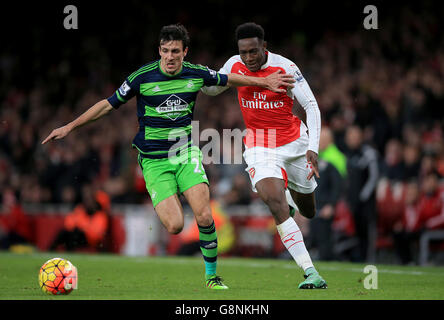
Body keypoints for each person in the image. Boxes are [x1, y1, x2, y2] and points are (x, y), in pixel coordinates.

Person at [42, 24, 294, 290]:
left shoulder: (195, 73)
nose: (170, 57)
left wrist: (264, 81)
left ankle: (211, 277)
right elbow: (107, 104)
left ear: (185, 52)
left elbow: (229, 79)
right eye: (165, 51)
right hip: (154, 161)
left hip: (185, 154)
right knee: (174, 226)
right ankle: (163, 194)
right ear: (159, 51)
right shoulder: (143, 77)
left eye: (175, 51)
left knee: (205, 216)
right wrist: (69, 126)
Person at [201, 22, 327, 289]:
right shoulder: (234, 64)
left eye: (253, 52)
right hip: (260, 145)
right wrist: (198, 78)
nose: (248, 57)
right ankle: (310, 272)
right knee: (273, 202)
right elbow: (212, 88)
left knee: (309, 210)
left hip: (294, 144)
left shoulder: (286, 67)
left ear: (264, 47)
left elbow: (311, 105)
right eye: (244, 52)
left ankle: (292, 197)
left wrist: (312, 147)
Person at [344, 125, 379, 262]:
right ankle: (359, 260)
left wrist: (363, 196)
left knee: (367, 233)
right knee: (357, 234)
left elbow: (374, 177)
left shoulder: (368, 153)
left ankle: (370, 261)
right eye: (350, 136)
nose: (352, 139)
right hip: (353, 203)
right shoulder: (347, 155)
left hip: (366, 204)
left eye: (355, 136)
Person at [50, 186, 109, 252]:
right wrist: (80, 227)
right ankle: (51, 249)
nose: (88, 203)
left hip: (88, 239)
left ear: (94, 203)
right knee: (65, 233)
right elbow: (68, 223)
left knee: (75, 234)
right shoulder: (80, 210)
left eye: (90, 201)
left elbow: (96, 234)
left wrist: (82, 228)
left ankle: (69, 252)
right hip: (78, 234)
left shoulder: (100, 215)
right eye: (86, 200)